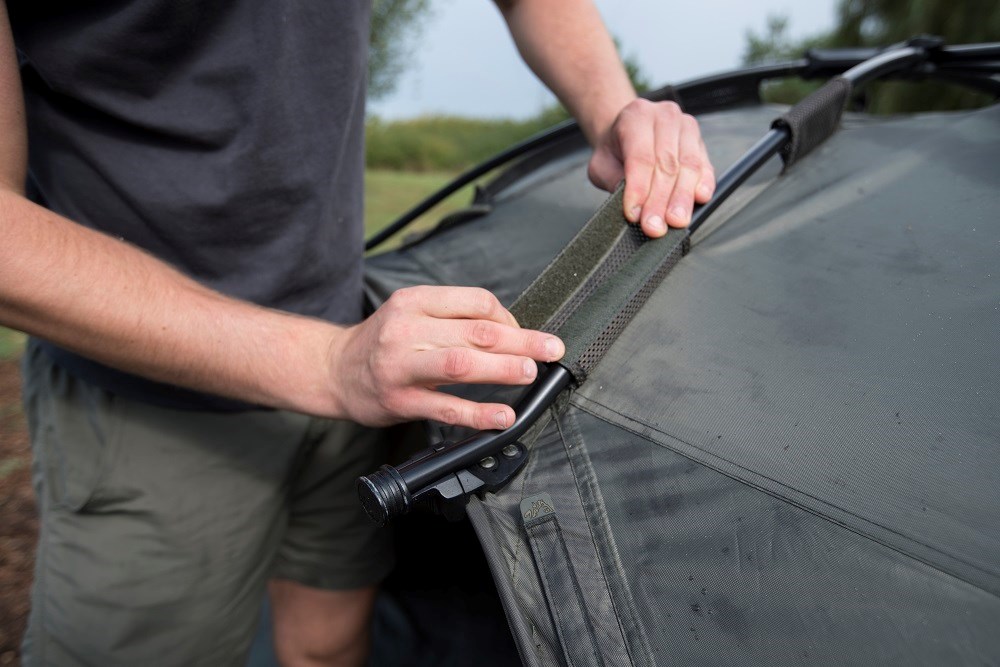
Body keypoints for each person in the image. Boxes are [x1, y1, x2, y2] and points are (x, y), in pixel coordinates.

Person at [0, 0, 715, 665]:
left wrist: (611, 106)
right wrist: (325, 364)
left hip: (351, 355)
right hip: (155, 402)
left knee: (327, 644)